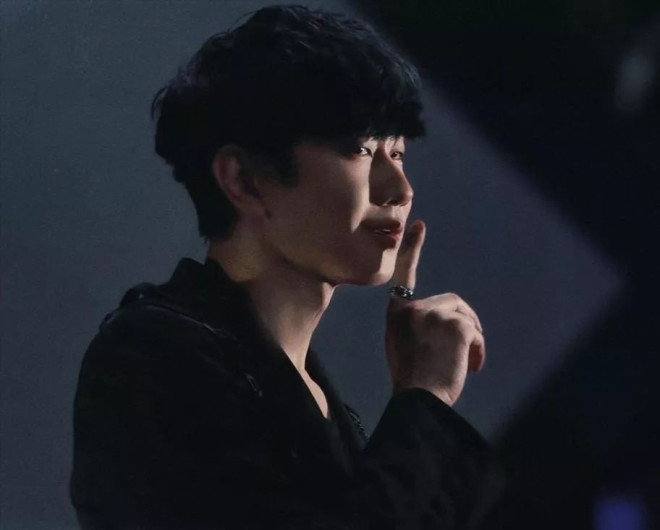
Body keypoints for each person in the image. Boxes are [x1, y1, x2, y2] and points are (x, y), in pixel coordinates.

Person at [70, 5, 502, 529]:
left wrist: (414, 403)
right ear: (244, 180)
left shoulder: (314, 396)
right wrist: (424, 396)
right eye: (360, 149)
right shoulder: (151, 356)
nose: (400, 190)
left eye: (398, 153)